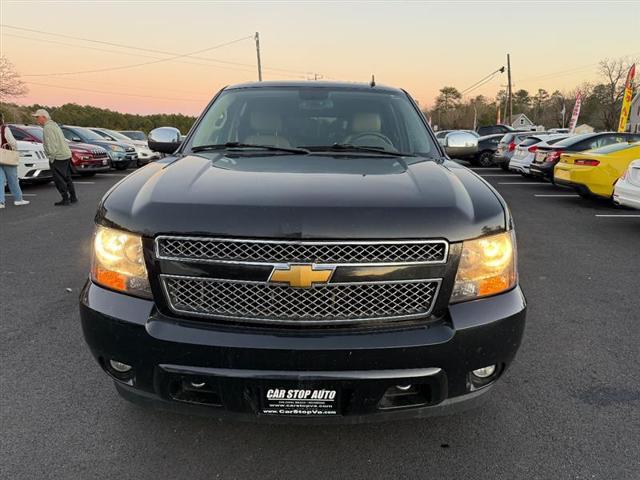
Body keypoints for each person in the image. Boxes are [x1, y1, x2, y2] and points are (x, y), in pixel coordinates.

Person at [32, 109, 77, 206]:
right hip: (65, 154)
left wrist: (51, 157)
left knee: (59, 179)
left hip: (58, 156)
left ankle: (65, 199)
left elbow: (51, 144)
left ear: (44, 117)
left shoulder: (48, 128)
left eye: (37, 117)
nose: (36, 119)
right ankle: (73, 197)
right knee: (67, 177)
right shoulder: (54, 125)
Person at [0, 114, 30, 209]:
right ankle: (18, 199)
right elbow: (13, 143)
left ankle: (1, 202)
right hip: (6, 157)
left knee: (0, 180)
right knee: (12, 179)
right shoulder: (4, 128)